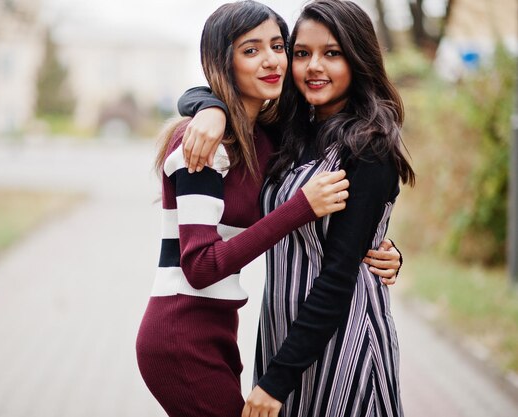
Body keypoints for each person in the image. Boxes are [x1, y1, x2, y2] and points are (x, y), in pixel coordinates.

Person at [177, 1, 414, 416]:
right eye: (302, 53)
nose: (313, 67)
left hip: (344, 340)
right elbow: (211, 90)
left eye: (332, 53)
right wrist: (210, 109)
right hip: (284, 338)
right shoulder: (291, 129)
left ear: (358, 58)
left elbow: (340, 276)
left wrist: (275, 382)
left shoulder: (368, 146)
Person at [135, 3, 353, 417]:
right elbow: (199, 266)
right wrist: (299, 208)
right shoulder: (203, 147)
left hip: (219, 329)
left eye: (277, 45)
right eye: (250, 50)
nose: (271, 59)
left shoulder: (266, 137)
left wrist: (379, 243)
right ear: (224, 63)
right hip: (179, 335)